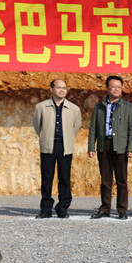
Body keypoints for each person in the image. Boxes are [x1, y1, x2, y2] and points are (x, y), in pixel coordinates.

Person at [88, 75, 132, 220]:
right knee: (105, 180)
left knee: (121, 180)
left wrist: (131, 148)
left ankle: (122, 210)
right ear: (107, 88)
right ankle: (105, 209)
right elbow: (93, 128)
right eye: (113, 86)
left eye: (119, 87)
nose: (116, 89)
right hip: (104, 145)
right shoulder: (99, 107)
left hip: (121, 146)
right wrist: (91, 147)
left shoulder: (129, 107)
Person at [33, 79, 81, 219]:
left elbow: (76, 126)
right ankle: (46, 209)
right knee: (47, 178)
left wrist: (68, 138)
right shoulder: (41, 107)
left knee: (64, 178)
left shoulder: (74, 109)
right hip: (48, 145)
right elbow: (37, 126)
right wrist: (45, 137)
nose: (62, 90)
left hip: (65, 146)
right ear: (51, 90)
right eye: (58, 87)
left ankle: (62, 208)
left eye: (64, 88)